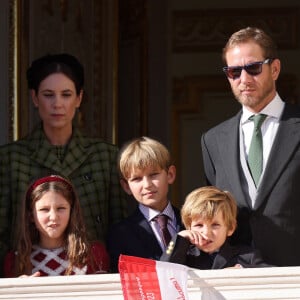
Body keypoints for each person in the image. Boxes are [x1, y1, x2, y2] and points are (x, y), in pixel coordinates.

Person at [0, 53, 127, 275]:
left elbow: (118, 228)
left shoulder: (105, 156)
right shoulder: (11, 158)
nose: (57, 104)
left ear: (78, 98)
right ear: (34, 98)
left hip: (94, 279)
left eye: (66, 95)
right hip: (26, 279)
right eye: (48, 95)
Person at [201, 26, 300, 266]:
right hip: (238, 279)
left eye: (253, 68)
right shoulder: (212, 140)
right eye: (234, 72)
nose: (244, 79)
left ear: (274, 69)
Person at [3, 175, 109, 277]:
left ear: (71, 212)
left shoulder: (94, 254)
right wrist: (21, 287)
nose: (53, 217)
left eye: (61, 208)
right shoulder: (16, 260)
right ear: (31, 215)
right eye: (44, 209)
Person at [107, 136, 184, 272]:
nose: (147, 185)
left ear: (170, 174)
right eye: (137, 179)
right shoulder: (120, 235)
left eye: (154, 175)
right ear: (126, 186)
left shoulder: (192, 223)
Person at [160, 186, 271, 269]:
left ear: (230, 228)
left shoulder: (247, 257)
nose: (206, 233)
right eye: (199, 225)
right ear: (189, 228)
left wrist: (242, 272)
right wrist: (179, 239)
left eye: (215, 225)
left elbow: (274, 277)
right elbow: (164, 273)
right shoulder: (185, 255)